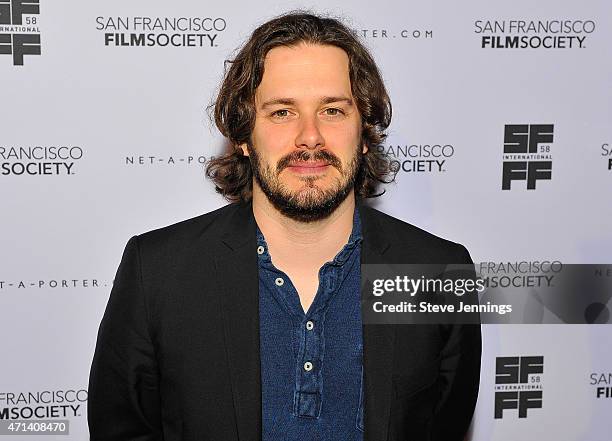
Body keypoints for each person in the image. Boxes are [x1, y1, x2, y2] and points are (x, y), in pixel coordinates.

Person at [88, 11, 481, 441]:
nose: (309, 136)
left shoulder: (438, 273)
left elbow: (446, 423)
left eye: (332, 110)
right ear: (243, 135)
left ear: (364, 132)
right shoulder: (159, 273)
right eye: (281, 113)